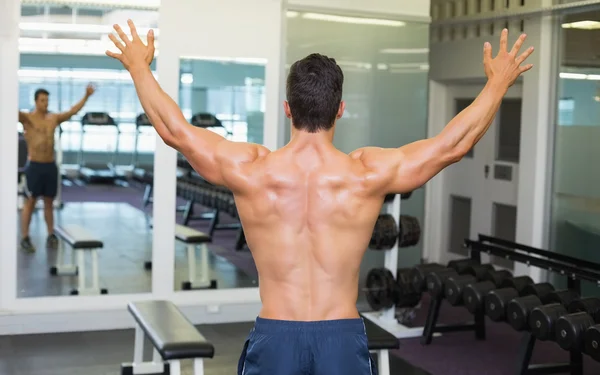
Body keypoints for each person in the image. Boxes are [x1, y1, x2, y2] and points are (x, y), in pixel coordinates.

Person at [107, 20, 534, 375]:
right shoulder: (366, 173)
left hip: (276, 336)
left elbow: (173, 130)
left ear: (288, 108)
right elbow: (451, 145)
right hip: (340, 338)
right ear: (341, 109)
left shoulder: (251, 169)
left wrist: (139, 67)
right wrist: (497, 82)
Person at [19, 84, 95, 252]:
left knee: (48, 202)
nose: (46, 103)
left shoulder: (53, 118)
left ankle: (50, 233)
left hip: (50, 166)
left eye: (47, 100)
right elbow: (9, 108)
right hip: (34, 166)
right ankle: (25, 237)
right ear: (36, 101)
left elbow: (72, 111)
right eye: (42, 100)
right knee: (30, 202)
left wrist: (86, 96)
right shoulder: (28, 118)